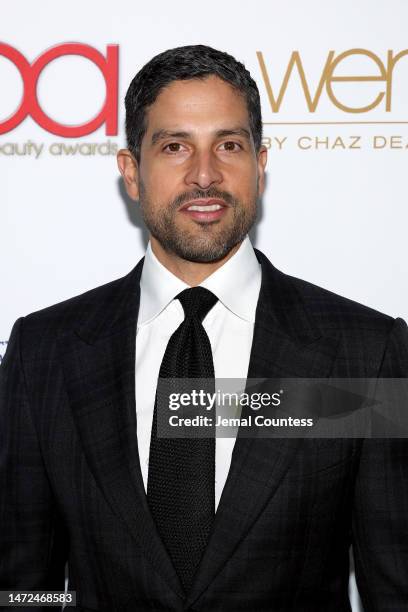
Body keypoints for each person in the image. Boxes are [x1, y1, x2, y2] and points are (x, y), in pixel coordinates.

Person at [1, 44, 407, 612]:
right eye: (174, 147)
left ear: (260, 166)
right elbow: (24, 587)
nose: (205, 174)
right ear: (131, 172)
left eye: (229, 145)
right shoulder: (43, 354)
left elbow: (396, 587)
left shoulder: (365, 352)